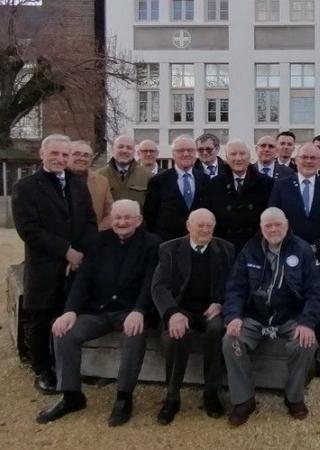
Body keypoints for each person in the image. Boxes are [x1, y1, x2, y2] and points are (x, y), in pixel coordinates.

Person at [36, 200, 161, 426]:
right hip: (98, 311)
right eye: (117, 218)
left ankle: (124, 396)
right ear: (111, 220)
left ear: (139, 220)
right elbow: (82, 280)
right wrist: (70, 311)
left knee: (134, 334)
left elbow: (151, 282)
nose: (122, 222)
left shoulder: (152, 244)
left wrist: (140, 310)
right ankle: (71, 395)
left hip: (129, 312)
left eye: (127, 217)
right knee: (64, 331)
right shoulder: (96, 242)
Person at [12, 134, 97, 394]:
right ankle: (43, 369)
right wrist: (65, 251)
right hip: (45, 265)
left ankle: (65, 366)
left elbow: (89, 221)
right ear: (42, 154)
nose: (60, 159)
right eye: (55, 154)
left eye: (64, 154)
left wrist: (79, 253)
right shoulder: (26, 187)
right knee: (42, 317)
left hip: (75, 265)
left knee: (67, 314)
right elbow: (29, 229)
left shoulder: (77, 184)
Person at [222, 207, 320, 425]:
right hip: (255, 317)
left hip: (289, 317)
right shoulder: (250, 249)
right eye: (268, 225)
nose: (273, 229)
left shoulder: (302, 250)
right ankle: (244, 399)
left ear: (287, 225)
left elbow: (316, 291)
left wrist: (307, 322)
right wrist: (233, 317)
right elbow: (235, 288)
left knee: (306, 343)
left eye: (278, 224)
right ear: (261, 228)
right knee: (231, 341)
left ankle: (294, 397)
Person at [151, 208, 236, 425]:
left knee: (218, 330)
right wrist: (172, 313)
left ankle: (211, 393)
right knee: (175, 335)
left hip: (211, 309)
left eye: (209, 225)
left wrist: (221, 303)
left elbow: (234, 284)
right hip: (181, 309)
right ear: (188, 226)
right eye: (200, 225)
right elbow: (159, 287)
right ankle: (172, 397)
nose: (205, 229)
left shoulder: (225, 249)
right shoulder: (169, 249)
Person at [268, 143, 320, 260]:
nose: (309, 161)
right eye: (304, 157)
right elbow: (274, 216)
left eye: (313, 158)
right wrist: (290, 244)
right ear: (296, 160)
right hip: (288, 252)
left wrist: (318, 245)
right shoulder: (281, 185)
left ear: (319, 162)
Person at [208, 140, 274, 251]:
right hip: (224, 247)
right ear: (226, 158)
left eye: (242, 154)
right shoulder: (214, 185)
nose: (238, 158)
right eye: (233, 154)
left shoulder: (267, 184)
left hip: (256, 247)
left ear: (249, 157)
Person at [143, 135, 209, 242]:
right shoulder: (158, 181)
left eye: (190, 150)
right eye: (181, 150)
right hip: (167, 243)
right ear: (173, 154)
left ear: (196, 153)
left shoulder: (205, 180)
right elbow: (150, 215)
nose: (186, 154)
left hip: (198, 241)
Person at [68, 140, 113, 231]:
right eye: (77, 154)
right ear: (67, 155)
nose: (82, 158)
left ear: (91, 159)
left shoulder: (102, 182)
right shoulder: (57, 178)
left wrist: (96, 232)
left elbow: (110, 213)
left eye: (86, 155)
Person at [97, 135, 151, 206]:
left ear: (134, 152)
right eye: (120, 147)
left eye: (129, 148)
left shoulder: (147, 176)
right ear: (112, 149)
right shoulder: (99, 176)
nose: (125, 151)